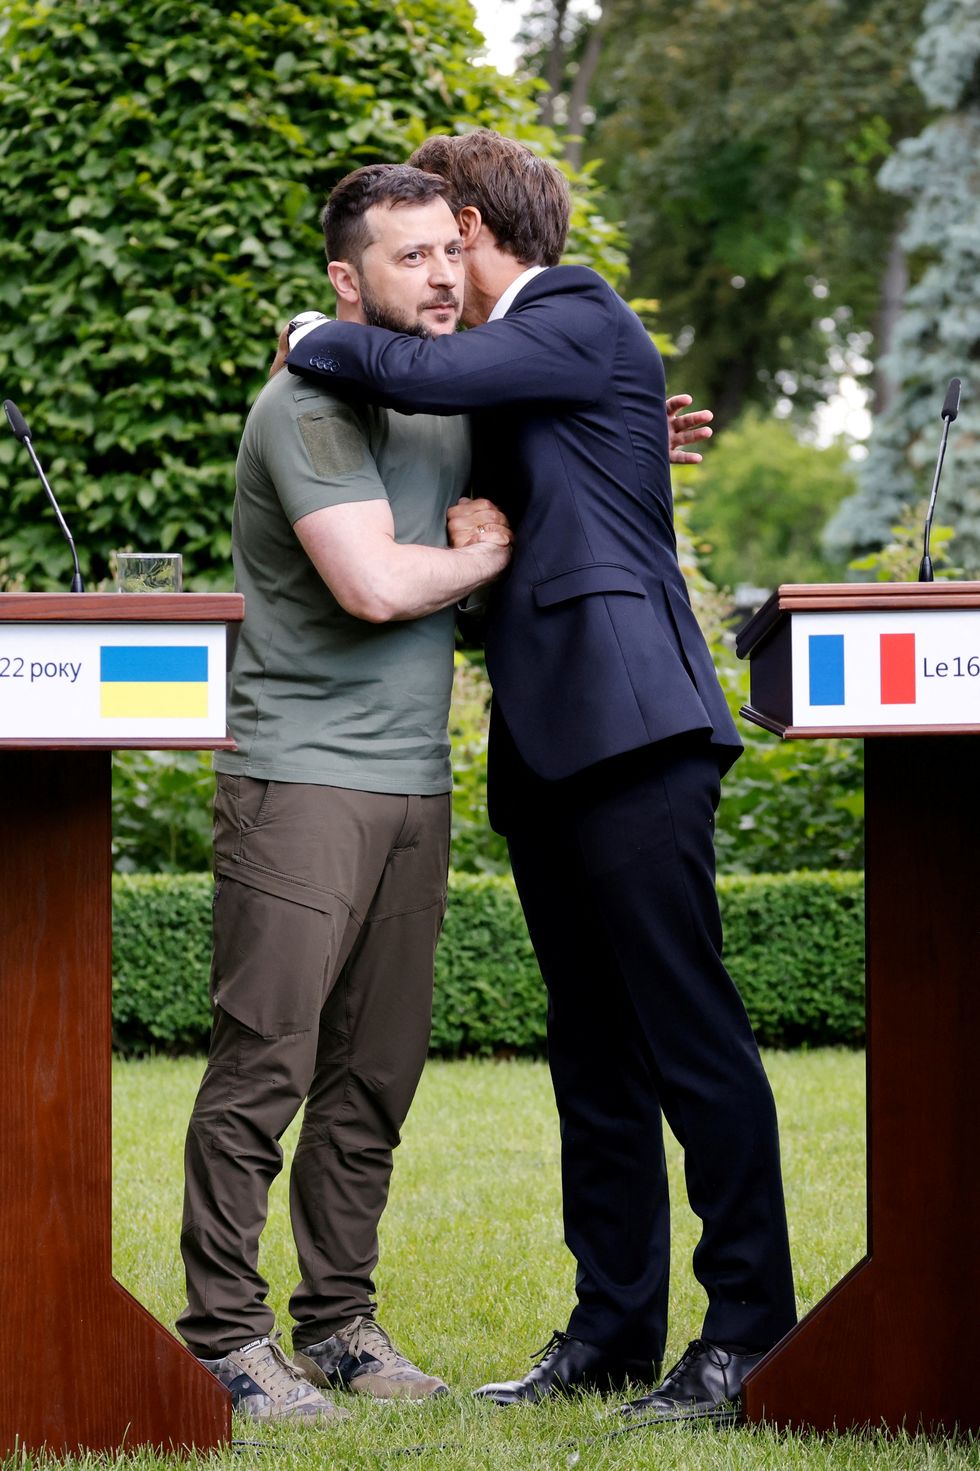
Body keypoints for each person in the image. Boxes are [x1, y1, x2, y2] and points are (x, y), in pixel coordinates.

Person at [285, 129, 797, 1423]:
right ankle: (614, 1334)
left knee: (691, 1036)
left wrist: (312, 329)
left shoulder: (573, 312)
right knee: (595, 1053)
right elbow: (500, 498)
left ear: (468, 219)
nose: (435, 265)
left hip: (634, 731)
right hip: (556, 747)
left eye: (437, 234)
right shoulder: (528, 374)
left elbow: (398, 359)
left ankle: (751, 1336)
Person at [177, 162, 514, 1422]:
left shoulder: (445, 395)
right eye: (407, 257)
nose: (436, 276)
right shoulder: (306, 403)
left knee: (374, 1073)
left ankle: (340, 1326)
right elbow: (373, 585)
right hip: (298, 776)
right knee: (264, 1066)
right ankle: (222, 1334)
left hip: (414, 781)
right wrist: (478, 552)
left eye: (446, 252)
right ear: (343, 279)